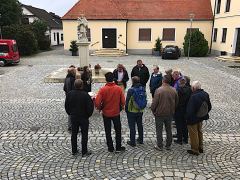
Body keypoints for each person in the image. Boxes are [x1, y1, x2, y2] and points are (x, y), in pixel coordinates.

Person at [95, 72, 126, 153]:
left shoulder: (102, 89)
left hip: (106, 113)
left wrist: (99, 108)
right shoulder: (118, 88)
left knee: (107, 131)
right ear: (113, 79)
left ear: (106, 79)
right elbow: (123, 101)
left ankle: (110, 147)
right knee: (118, 130)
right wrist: (122, 106)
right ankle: (118, 147)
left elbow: (97, 102)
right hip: (116, 113)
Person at [65, 79, 94, 157]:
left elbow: (66, 106)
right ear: (82, 85)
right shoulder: (85, 95)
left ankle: (74, 150)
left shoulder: (70, 94)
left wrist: (70, 114)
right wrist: (88, 115)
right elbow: (90, 107)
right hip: (83, 117)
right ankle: (84, 151)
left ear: (74, 85)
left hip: (74, 117)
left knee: (74, 134)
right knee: (84, 134)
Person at [151, 75, 178, 151]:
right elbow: (176, 102)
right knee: (169, 129)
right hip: (169, 113)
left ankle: (160, 145)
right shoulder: (174, 90)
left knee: (159, 130)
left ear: (163, 81)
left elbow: (154, 103)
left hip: (160, 113)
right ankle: (168, 145)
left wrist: (153, 110)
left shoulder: (159, 90)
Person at [186, 81, 212, 155]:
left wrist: (187, 118)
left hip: (193, 119)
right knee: (199, 132)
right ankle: (201, 147)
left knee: (193, 134)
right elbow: (209, 106)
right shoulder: (205, 94)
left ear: (194, 88)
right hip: (201, 117)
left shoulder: (193, 96)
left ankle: (195, 149)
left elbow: (190, 110)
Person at [125, 76, 147, 147]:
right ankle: (141, 140)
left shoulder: (131, 90)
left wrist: (126, 110)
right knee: (140, 125)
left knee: (132, 127)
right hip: (140, 110)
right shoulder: (143, 88)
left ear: (133, 81)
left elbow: (127, 101)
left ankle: (132, 142)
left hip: (132, 111)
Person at [174, 78, 192, 145]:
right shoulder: (189, 89)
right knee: (185, 125)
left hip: (179, 110)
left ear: (179, 83)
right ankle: (186, 139)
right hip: (186, 109)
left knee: (179, 125)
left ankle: (179, 139)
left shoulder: (178, 90)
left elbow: (176, 101)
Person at [63, 66, 76, 131]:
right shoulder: (73, 79)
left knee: (70, 112)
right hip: (72, 97)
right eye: (74, 71)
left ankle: (70, 125)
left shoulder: (66, 78)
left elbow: (64, 88)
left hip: (68, 96)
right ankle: (72, 125)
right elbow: (74, 88)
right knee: (73, 112)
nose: (75, 72)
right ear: (72, 72)